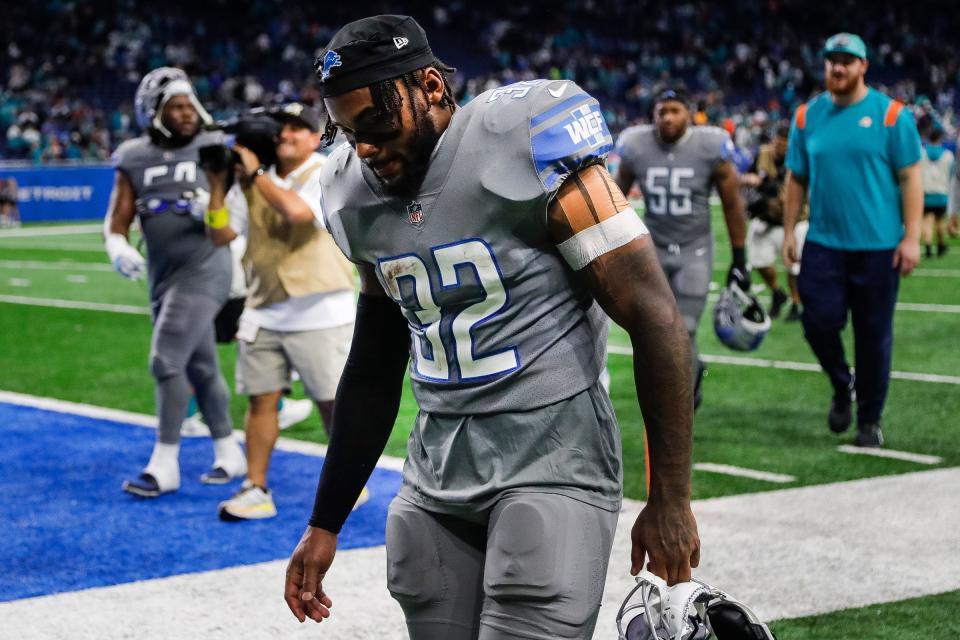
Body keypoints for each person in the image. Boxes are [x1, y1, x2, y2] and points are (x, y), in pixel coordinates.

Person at [283, 15, 700, 639]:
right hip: (436, 470)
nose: (364, 148)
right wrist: (326, 520)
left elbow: (654, 314)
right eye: (347, 130)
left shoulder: (523, 140)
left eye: (375, 123)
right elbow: (373, 365)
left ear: (429, 86)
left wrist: (671, 498)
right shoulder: (354, 193)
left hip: (553, 459)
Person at [203, 102, 358, 521]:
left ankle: (346, 476)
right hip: (264, 308)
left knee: (332, 403)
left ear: (314, 137)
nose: (285, 135)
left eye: (296, 129)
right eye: (281, 129)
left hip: (321, 309)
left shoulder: (329, 169)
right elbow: (220, 234)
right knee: (260, 401)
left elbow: (297, 213)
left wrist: (253, 175)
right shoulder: (253, 179)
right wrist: (219, 184)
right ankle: (255, 488)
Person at [104, 67, 246, 497]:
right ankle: (228, 452)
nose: (186, 113)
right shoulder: (133, 155)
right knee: (201, 367)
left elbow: (238, 213)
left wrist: (218, 202)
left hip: (207, 268)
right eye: (175, 106)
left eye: (189, 104)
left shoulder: (213, 147)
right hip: (162, 275)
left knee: (166, 361)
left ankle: (165, 463)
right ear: (153, 112)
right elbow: (119, 218)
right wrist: (117, 246)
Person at [782, 33, 922, 448]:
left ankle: (870, 420)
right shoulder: (807, 117)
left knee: (873, 334)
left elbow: (910, 176)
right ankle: (843, 384)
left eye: (847, 61)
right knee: (817, 321)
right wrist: (789, 230)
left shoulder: (893, 116)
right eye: (831, 61)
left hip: (878, 245)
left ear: (864, 66)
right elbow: (796, 177)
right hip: (825, 242)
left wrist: (912, 237)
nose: (837, 68)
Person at [613, 87, 748, 409]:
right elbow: (615, 198)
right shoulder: (636, 144)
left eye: (675, 110)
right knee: (655, 328)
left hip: (694, 249)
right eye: (662, 111)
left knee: (684, 327)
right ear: (653, 115)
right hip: (653, 246)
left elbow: (732, 204)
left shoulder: (710, 145)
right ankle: (692, 369)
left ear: (689, 113)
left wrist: (740, 258)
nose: (668, 118)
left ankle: (678, 398)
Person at [740, 122, 808, 321]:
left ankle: (796, 302)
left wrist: (771, 186)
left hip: (795, 220)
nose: (781, 148)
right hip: (765, 218)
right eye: (778, 144)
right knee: (757, 260)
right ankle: (777, 292)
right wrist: (748, 180)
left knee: (794, 266)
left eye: (785, 145)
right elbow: (742, 176)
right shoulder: (761, 154)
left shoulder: (800, 157)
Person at [919, 127, 953, 258]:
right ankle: (940, 245)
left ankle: (927, 246)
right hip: (941, 193)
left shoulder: (921, 153)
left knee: (927, 221)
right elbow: (951, 174)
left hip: (926, 192)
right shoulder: (948, 155)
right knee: (940, 222)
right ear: (940, 138)